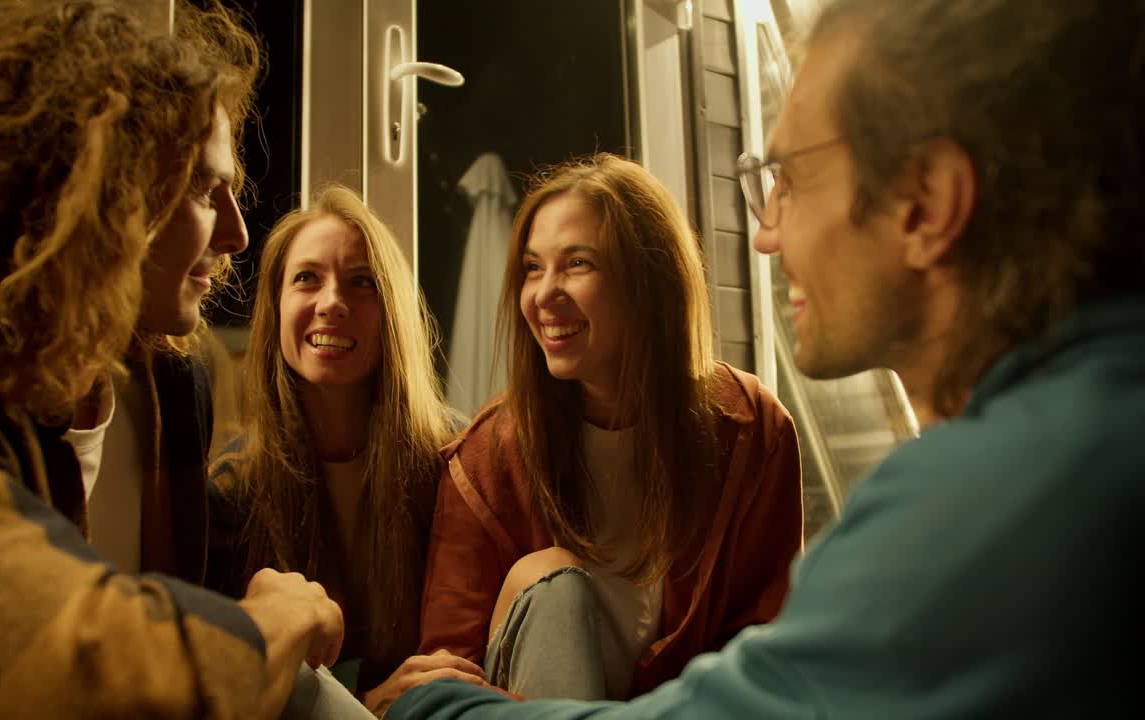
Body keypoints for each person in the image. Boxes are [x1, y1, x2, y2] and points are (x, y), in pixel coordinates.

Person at [385, 0, 1145, 717]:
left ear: (927, 201)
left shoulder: (1000, 496)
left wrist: (426, 707)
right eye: (532, 268)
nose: (765, 233)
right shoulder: (1085, 434)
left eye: (791, 179)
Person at [0, 1, 343, 716]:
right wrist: (280, 614)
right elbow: (101, 676)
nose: (239, 234)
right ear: (89, 196)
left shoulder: (169, 389)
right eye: (203, 189)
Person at [416, 153, 805, 702]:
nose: (543, 294)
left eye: (578, 263)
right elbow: (446, 676)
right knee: (553, 581)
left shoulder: (752, 430)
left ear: (650, 280)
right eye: (533, 267)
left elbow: (768, 636)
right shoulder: (487, 460)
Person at [205, 185, 486, 716]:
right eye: (306, 278)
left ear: (392, 312)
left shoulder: (457, 460)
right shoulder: (231, 488)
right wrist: (366, 701)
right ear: (276, 306)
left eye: (361, 282)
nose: (332, 302)